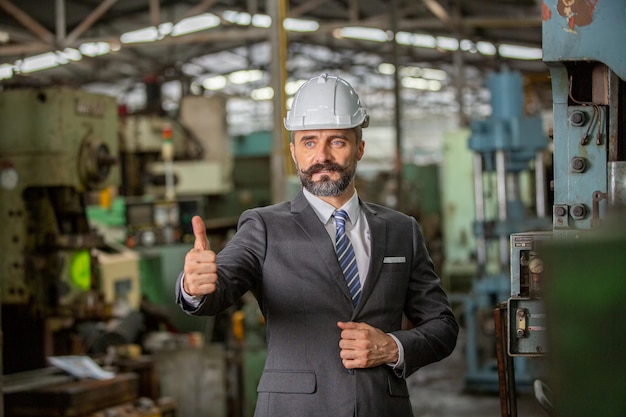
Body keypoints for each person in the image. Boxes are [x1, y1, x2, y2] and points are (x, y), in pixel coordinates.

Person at [176, 73, 458, 417]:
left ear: (360, 147)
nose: (321, 156)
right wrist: (195, 286)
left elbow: (442, 326)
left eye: (336, 141)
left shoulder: (402, 230)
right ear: (293, 150)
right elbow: (220, 287)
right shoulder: (263, 226)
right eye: (309, 142)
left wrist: (392, 346)